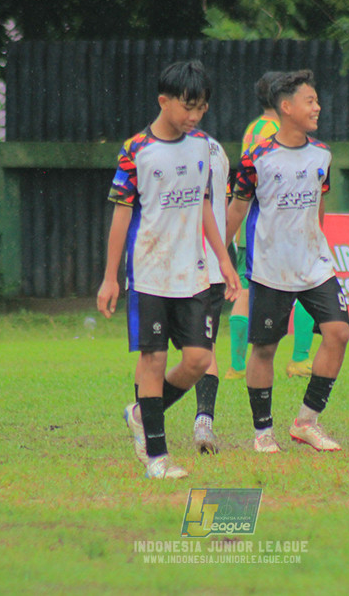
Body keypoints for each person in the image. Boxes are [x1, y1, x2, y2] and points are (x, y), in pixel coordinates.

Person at [96, 60, 239, 479]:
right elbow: (121, 216)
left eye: (201, 108)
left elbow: (204, 208)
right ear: (164, 101)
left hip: (193, 273)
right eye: (187, 107)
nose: (194, 116)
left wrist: (224, 259)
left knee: (197, 359)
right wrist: (110, 278)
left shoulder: (202, 149)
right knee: (154, 359)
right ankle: (157, 458)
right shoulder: (136, 150)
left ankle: (142, 414)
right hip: (149, 273)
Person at [226, 69, 349, 454]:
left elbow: (319, 201)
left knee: (338, 333)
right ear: (286, 107)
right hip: (271, 269)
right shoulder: (257, 158)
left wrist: (317, 241)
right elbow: (238, 207)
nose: (317, 107)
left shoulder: (322, 154)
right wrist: (218, 258)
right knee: (264, 349)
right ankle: (263, 431)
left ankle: (306, 422)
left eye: (316, 100)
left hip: (315, 265)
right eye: (310, 101)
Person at [226, 71, 318, 381]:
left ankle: (237, 365)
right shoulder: (277, 131)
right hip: (272, 227)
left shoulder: (253, 128)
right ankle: (299, 358)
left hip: (246, 228)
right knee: (303, 285)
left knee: (245, 289)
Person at [191, 122, 232, 455]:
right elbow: (225, 207)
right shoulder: (218, 149)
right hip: (211, 267)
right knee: (205, 348)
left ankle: (147, 421)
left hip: (180, 266)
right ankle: (203, 421)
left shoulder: (161, 148)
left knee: (155, 352)